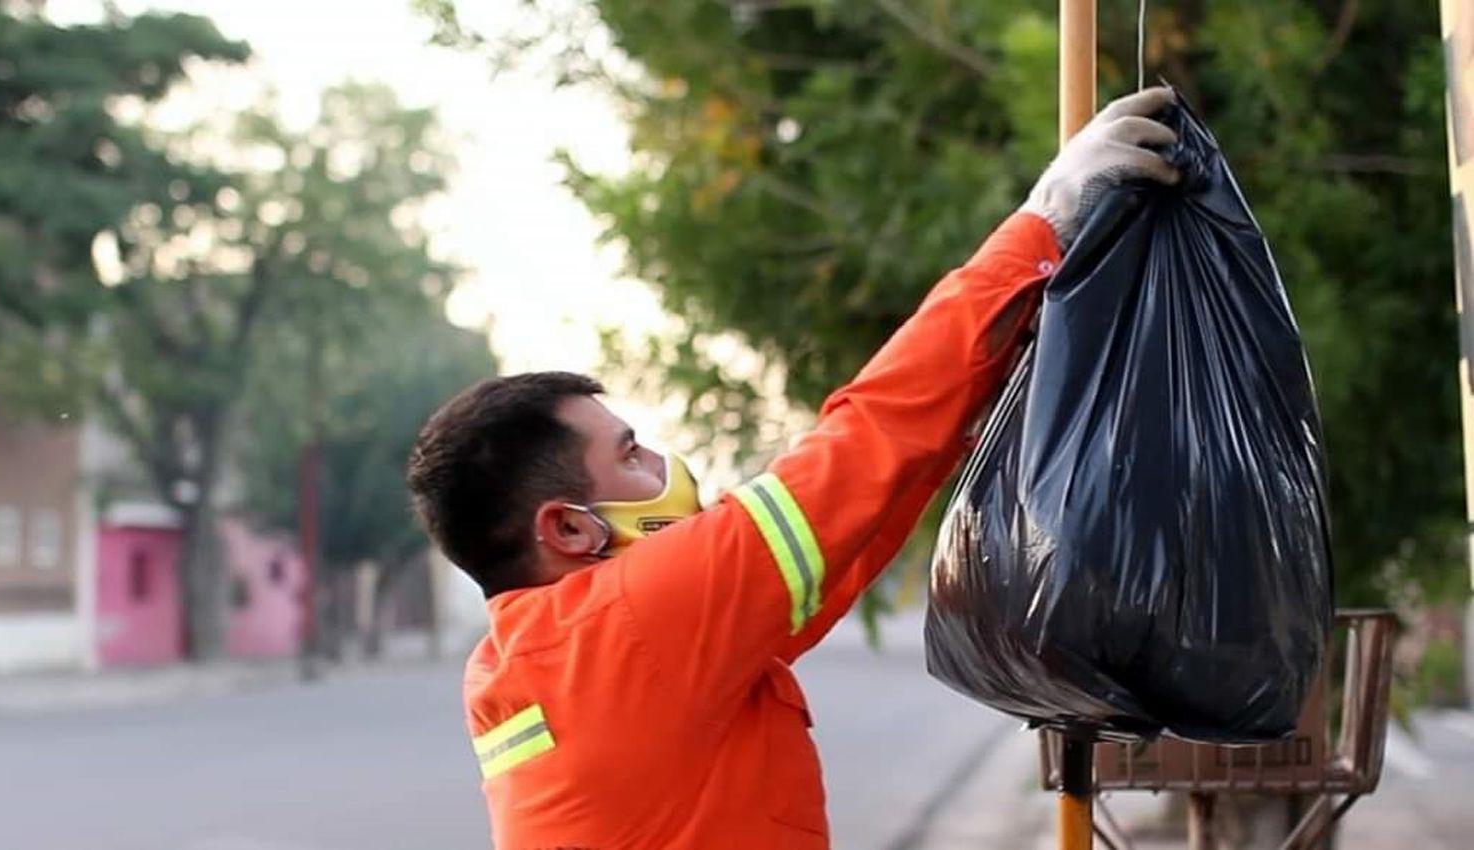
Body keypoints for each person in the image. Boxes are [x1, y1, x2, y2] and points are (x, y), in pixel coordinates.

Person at [406, 87, 1181, 849]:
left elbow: (841, 534)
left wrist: (962, 411)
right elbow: (858, 449)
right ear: (570, 527)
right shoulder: (633, 623)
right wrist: (1042, 224)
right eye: (631, 453)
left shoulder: (529, 663)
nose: (665, 466)